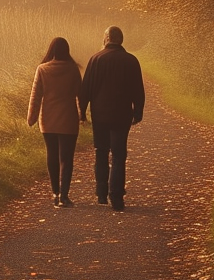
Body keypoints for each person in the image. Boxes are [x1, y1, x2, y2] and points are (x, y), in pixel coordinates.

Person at [79, 26, 145, 211]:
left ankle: (101, 193)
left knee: (101, 150)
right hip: (121, 114)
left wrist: (82, 112)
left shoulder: (96, 59)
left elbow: (86, 89)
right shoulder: (131, 61)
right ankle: (116, 196)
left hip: (100, 114)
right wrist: (137, 111)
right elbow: (137, 89)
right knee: (118, 154)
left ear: (107, 38)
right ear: (120, 40)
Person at [27, 37, 83, 208]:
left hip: (48, 119)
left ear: (50, 50)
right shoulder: (73, 69)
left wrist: (32, 118)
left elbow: (36, 96)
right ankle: (64, 196)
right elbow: (80, 93)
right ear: (67, 50)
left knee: (52, 155)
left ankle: (55, 192)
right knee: (66, 158)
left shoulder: (42, 69)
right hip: (68, 119)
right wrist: (83, 115)